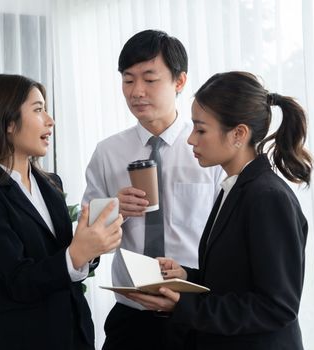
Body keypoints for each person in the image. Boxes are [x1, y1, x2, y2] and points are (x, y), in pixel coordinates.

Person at [127, 71, 313, 350]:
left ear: (238, 134)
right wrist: (187, 277)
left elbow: (277, 306)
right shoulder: (234, 187)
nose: (191, 139)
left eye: (201, 129)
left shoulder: (267, 197)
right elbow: (235, 281)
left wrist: (185, 305)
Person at [0, 74, 123, 350]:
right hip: (20, 337)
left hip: (73, 334)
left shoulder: (51, 183)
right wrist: (76, 253)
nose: (50, 120)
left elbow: (64, 259)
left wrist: (93, 244)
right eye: (38, 110)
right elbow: (18, 280)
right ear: (8, 123)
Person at [82, 30, 223, 349]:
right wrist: (113, 209)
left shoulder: (207, 149)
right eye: (128, 80)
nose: (137, 91)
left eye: (149, 78)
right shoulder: (108, 153)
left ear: (180, 81)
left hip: (197, 315)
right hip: (132, 319)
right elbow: (89, 242)